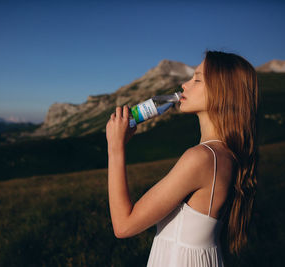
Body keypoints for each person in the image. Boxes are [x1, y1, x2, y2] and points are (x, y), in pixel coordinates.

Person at [106, 51, 258, 266]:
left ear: (221, 92)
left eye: (197, 79)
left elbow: (124, 226)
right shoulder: (227, 154)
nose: (185, 85)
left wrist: (115, 147)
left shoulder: (201, 158)